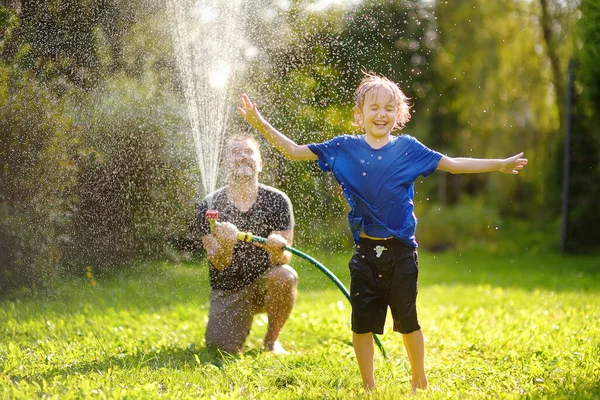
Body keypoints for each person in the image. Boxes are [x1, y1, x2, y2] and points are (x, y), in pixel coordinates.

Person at [237, 72, 528, 391]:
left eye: (390, 108)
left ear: (399, 115)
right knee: (362, 324)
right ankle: (369, 386)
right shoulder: (342, 148)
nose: (381, 114)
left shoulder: (408, 150)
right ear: (359, 114)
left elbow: (453, 164)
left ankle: (420, 381)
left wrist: (499, 163)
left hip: (402, 253)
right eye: (373, 107)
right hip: (365, 253)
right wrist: (259, 121)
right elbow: (293, 151)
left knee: (408, 320)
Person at [193, 135, 297, 355]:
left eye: (249, 152)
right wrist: (226, 244)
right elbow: (219, 263)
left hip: (265, 284)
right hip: (229, 287)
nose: (242, 156)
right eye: (235, 152)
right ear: (224, 165)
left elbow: (283, 259)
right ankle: (235, 320)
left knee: (285, 275)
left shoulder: (278, 201)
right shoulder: (208, 207)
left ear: (259, 163)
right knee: (221, 348)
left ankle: (271, 341)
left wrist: (276, 249)